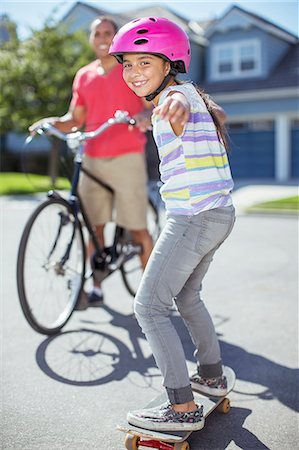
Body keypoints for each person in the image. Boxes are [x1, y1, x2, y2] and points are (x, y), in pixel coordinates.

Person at [109, 17, 235, 432]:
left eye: (144, 62)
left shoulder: (177, 98)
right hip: (218, 214)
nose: (133, 73)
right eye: (127, 64)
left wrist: (169, 108)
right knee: (187, 296)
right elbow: (181, 119)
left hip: (193, 218)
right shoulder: (191, 97)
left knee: (148, 306)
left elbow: (177, 110)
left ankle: (181, 407)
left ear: (169, 64)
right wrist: (156, 117)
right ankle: (212, 375)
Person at [29, 16, 153, 307]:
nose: (102, 37)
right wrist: (49, 123)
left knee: (138, 230)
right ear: (90, 38)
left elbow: (151, 106)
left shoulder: (130, 69)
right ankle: (95, 286)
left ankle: (153, 299)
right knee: (94, 227)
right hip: (92, 158)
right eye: (97, 32)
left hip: (127, 156)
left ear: (117, 37)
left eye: (108, 32)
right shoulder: (84, 75)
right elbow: (75, 119)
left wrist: (143, 117)